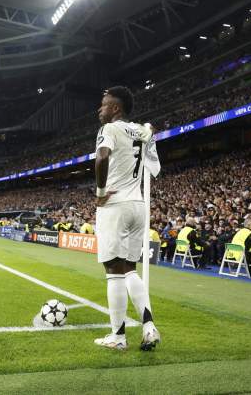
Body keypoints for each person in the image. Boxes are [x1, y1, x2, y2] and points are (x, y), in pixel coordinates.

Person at [93, 86, 160, 351]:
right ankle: (149, 326)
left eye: (104, 104)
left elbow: (101, 158)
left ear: (116, 108)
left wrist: (99, 192)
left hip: (115, 204)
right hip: (139, 205)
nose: (100, 109)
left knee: (113, 271)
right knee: (130, 268)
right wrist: (149, 129)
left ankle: (118, 338)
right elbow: (149, 133)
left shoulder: (109, 129)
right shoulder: (141, 130)